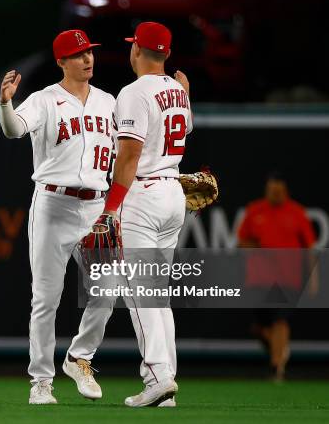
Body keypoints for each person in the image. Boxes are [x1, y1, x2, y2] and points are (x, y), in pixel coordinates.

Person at [0, 29, 117, 404]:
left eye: (89, 53)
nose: (87, 60)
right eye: (78, 55)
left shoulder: (109, 102)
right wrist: (5, 104)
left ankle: (80, 357)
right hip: (54, 204)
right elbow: (14, 129)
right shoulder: (45, 99)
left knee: (108, 289)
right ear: (61, 62)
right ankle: (41, 381)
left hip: (97, 205)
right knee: (46, 297)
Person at [96, 21, 193, 407]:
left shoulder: (134, 92)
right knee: (159, 294)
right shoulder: (179, 90)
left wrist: (110, 207)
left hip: (145, 194)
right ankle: (165, 380)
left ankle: (157, 375)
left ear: (136, 50)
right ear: (166, 53)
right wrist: (183, 93)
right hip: (173, 190)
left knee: (142, 293)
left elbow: (130, 155)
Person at [238, 173, 317, 381]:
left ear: (286, 191)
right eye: (272, 190)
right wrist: (257, 248)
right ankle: (280, 350)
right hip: (259, 279)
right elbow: (241, 243)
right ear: (267, 190)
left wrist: (313, 279)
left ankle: (276, 367)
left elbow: (309, 249)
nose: (276, 194)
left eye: (279, 191)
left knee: (280, 320)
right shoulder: (255, 210)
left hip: (287, 279)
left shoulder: (297, 213)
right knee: (260, 328)